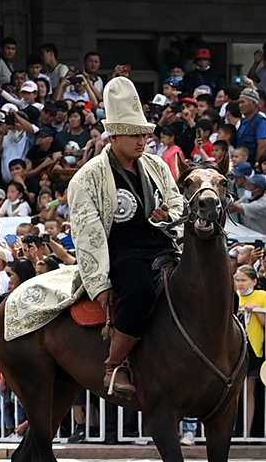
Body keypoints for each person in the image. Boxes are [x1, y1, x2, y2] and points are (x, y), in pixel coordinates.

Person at [65, 77, 185, 406]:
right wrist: (99, 282)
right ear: (114, 135)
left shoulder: (158, 166)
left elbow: (177, 203)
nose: (143, 140)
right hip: (120, 251)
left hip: (163, 245)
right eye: (135, 134)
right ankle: (113, 365)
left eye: (145, 133)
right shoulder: (88, 177)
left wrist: (169, 216)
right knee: (140, 290)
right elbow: (87, 231)